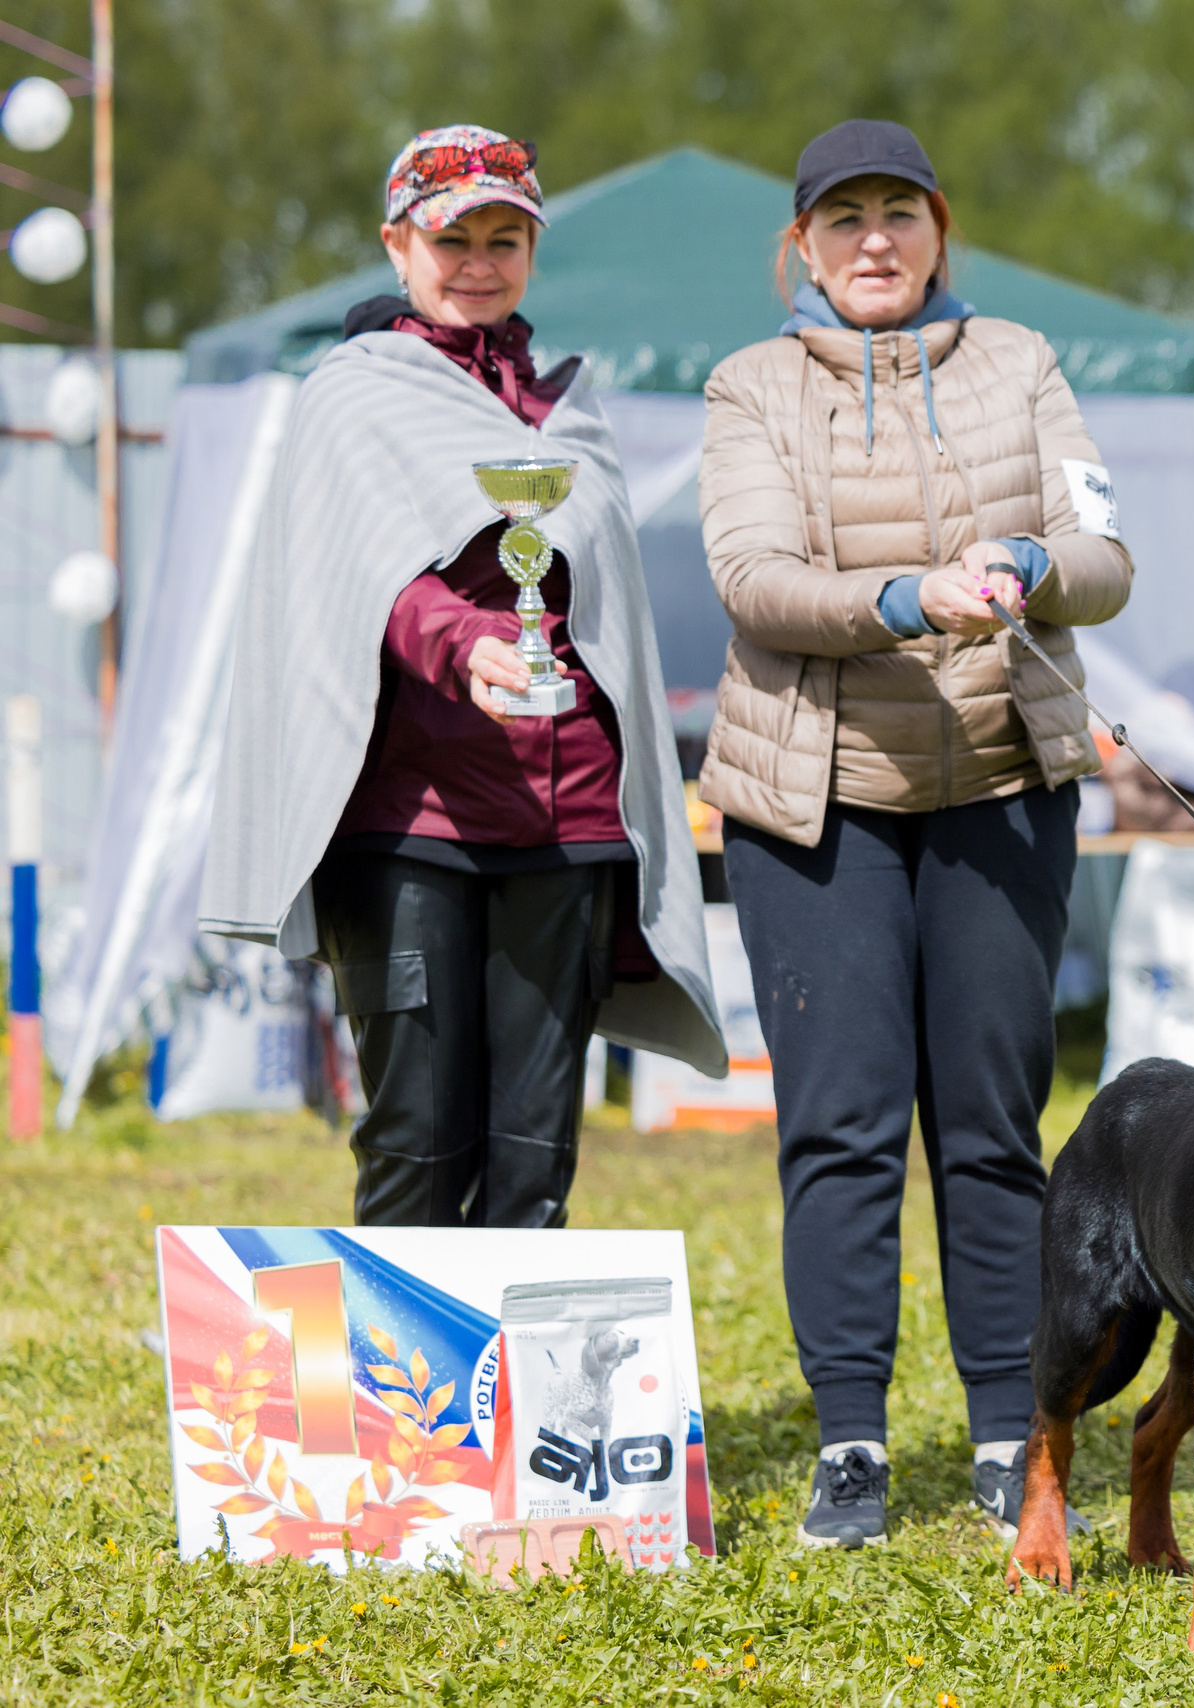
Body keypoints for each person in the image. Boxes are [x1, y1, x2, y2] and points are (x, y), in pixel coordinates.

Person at [695, 118, 1135, 1548]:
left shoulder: (1023, 364)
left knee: (998, 1130)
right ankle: (852, 1448)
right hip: (815, 806)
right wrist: (904, 599)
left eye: (899, 212)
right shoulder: (748, 386)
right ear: (802, 248)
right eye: (843, 219)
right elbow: (755, 579)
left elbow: (1107, 559)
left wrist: (1031, 565)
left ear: (940, 229)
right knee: (840, 1130)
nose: (872, 239)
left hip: (1000, 788)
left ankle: (1015, 1434)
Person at [203, 124, 726, 1226]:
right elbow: (358, 578)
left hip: (569, 820)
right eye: (453, 239)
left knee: (535, 1161)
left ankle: (509, 1400)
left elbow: (606, 606)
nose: (479, 262)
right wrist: (465, 643)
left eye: (505, 237)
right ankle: (405, 1400)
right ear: (398, 246)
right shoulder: (349, 391)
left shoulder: (567, 408)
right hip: (410, 823)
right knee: (416, 1145)